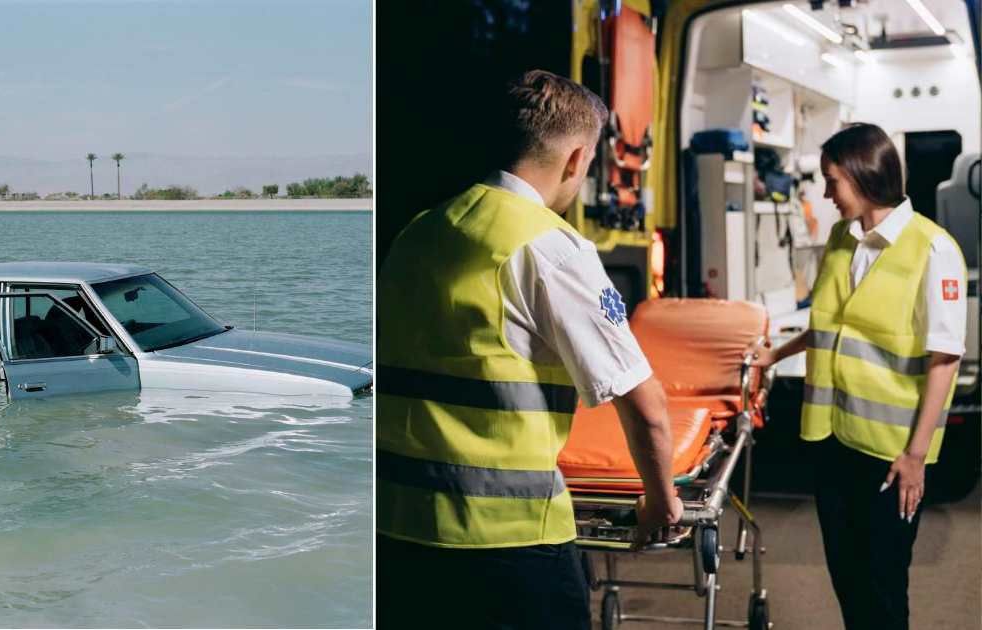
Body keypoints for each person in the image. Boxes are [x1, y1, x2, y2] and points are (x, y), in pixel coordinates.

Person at [376, 69, 683, 629]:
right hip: (509, 549)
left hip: (397, 533)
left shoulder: (416, 233)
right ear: (575, 159)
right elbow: (648, 409)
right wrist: (660, 500)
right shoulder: (552, 250)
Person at [749, 122, 966, 630]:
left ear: (865, 176)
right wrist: (775, 355)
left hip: (890, 455)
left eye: (833, 182)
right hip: (832, 442)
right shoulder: (842, 239)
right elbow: (829, 324)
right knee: (848, 579)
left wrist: (916, 457)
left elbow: (945, 358)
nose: (826, 194)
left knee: (884, 584)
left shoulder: (934, 251)